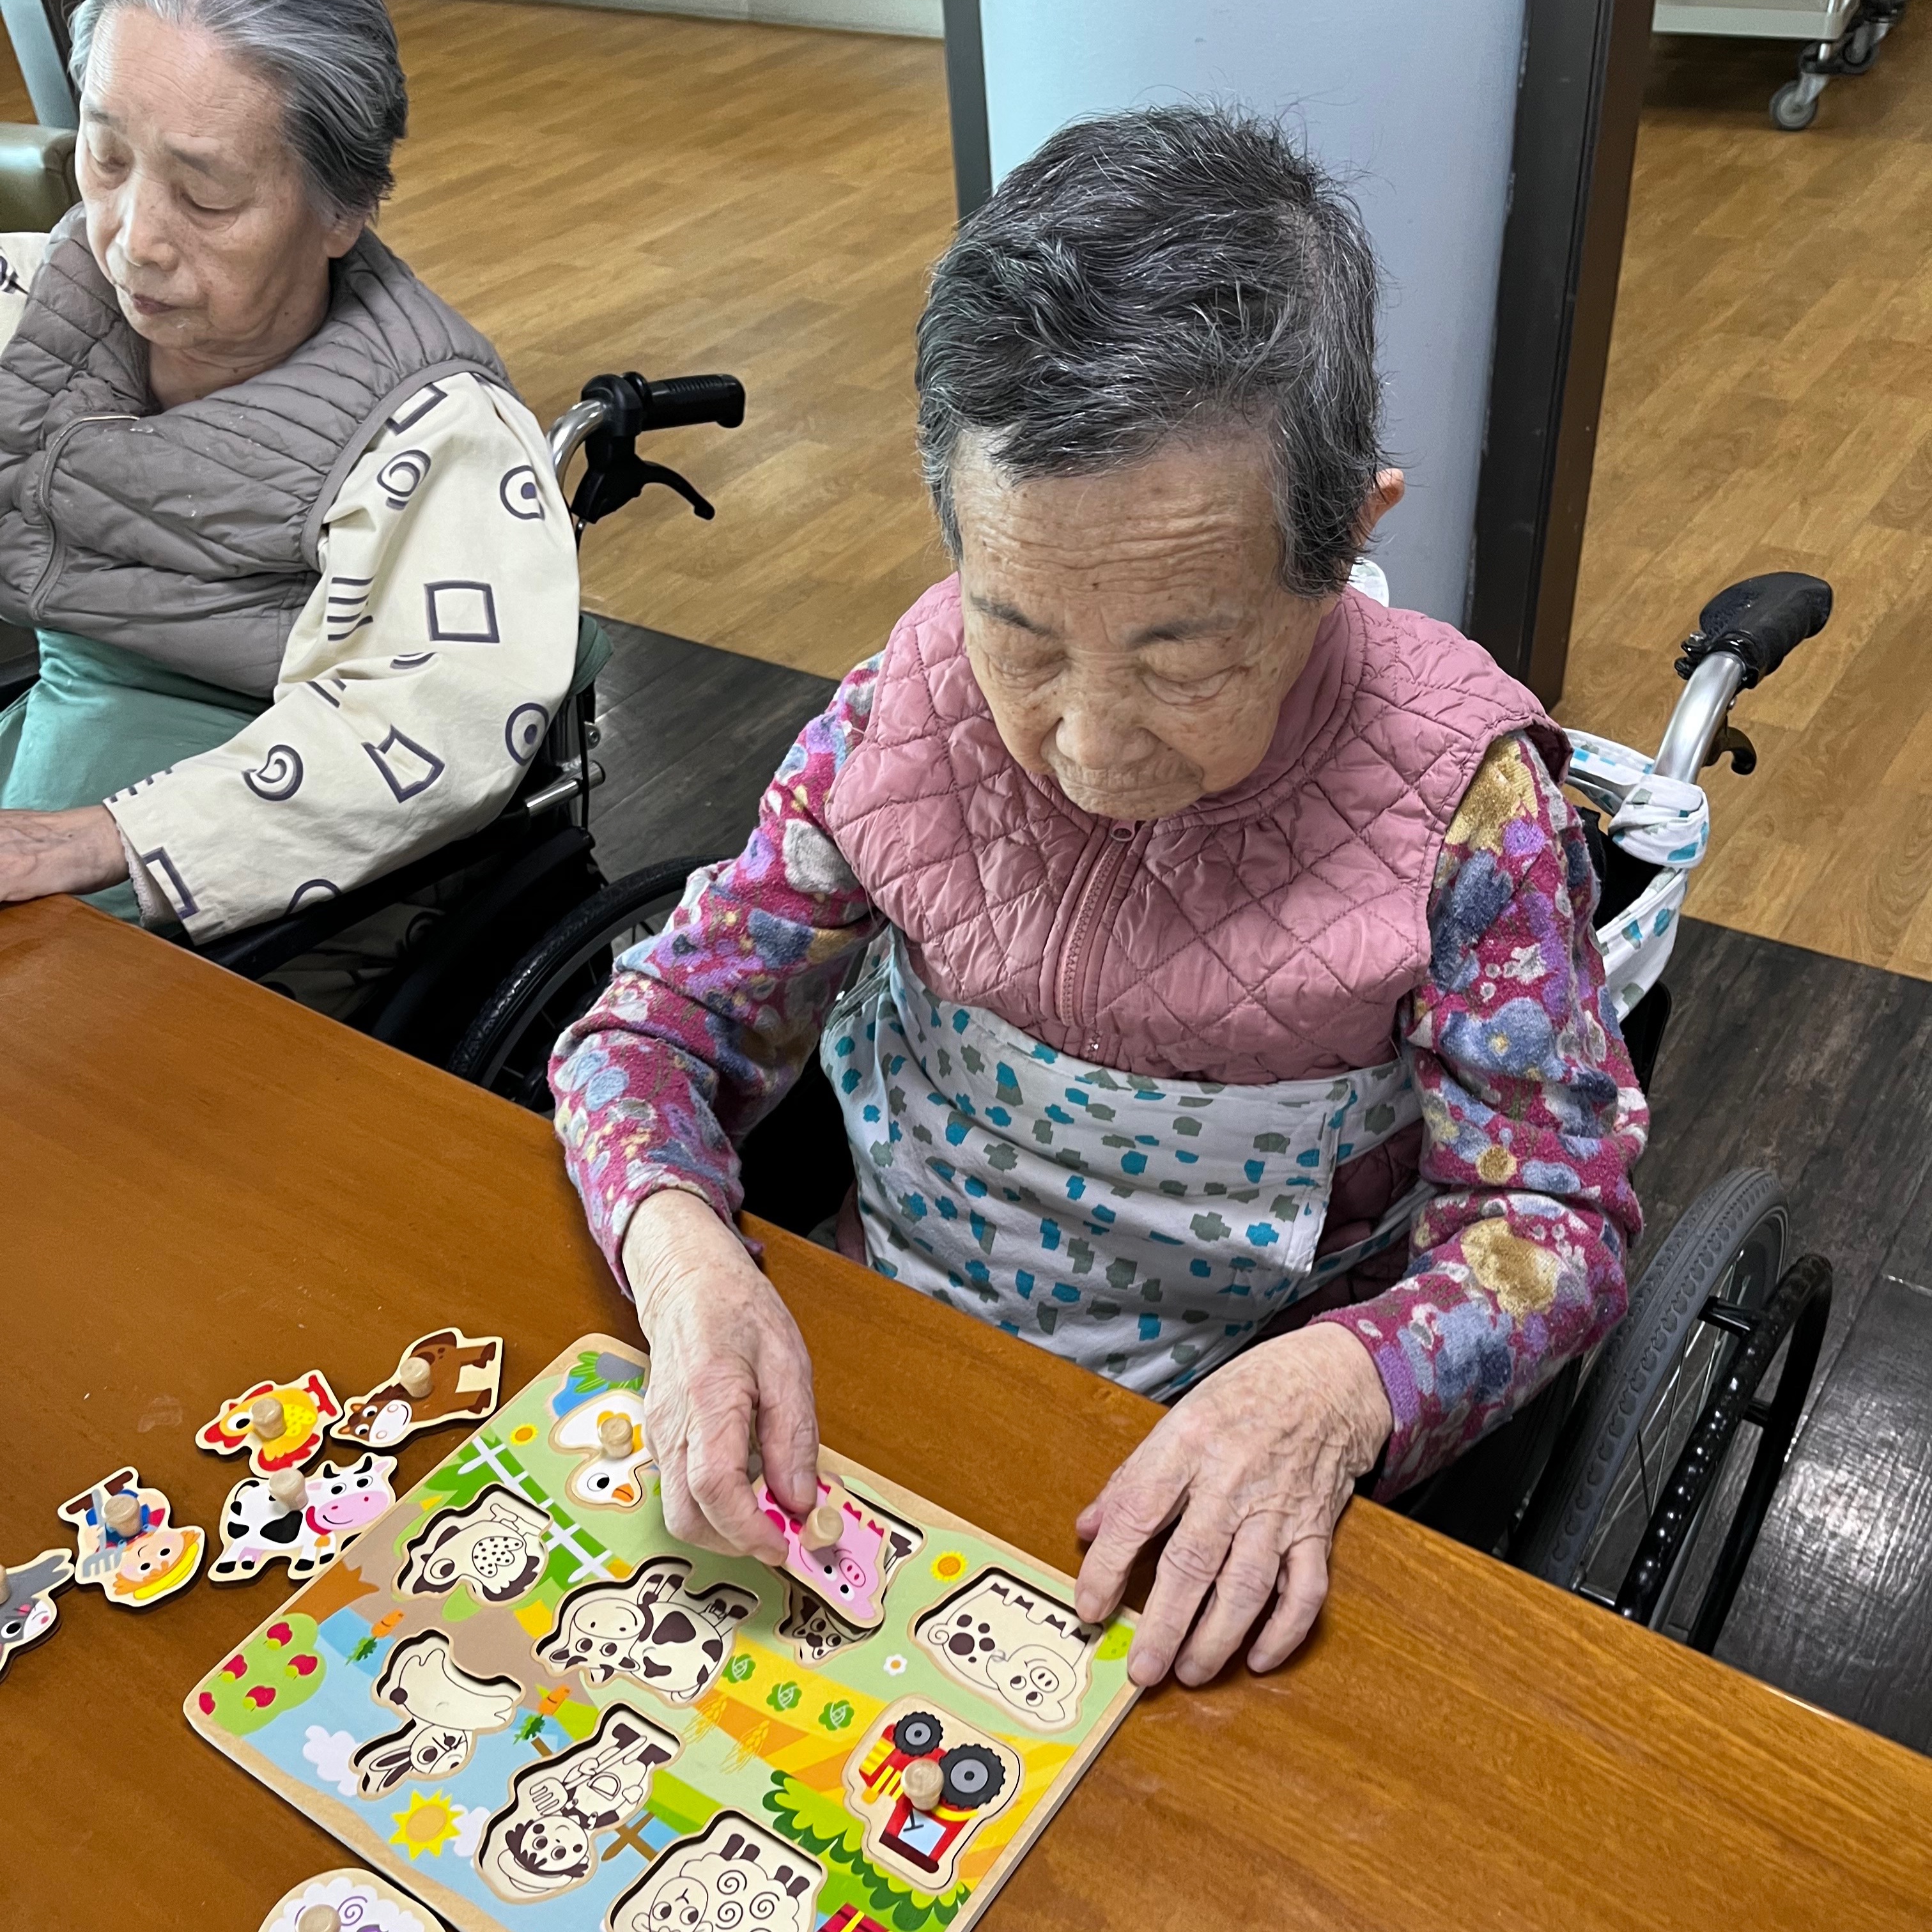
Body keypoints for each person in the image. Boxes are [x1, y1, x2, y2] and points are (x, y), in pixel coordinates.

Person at [551, 107, 1647, 1690]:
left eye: (1180, 658)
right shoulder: (904, 709)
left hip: (1233, 1440)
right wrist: (687, 1264)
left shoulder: (1466, 809)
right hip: (878, 1356)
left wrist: (1343, 1389)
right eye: (1020, 634)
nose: (1085, 745)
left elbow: (1556, 1214)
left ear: (1349, 535)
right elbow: (649, 1034)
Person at [0, 0, 576, 1003]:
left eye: (206, 197)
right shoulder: (41, 296)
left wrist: (102, 838)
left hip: (284, 858)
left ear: (342, 209)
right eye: (106, 158)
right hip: (55, 732)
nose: (133, 241)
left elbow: (419, 732)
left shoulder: (434, 432)